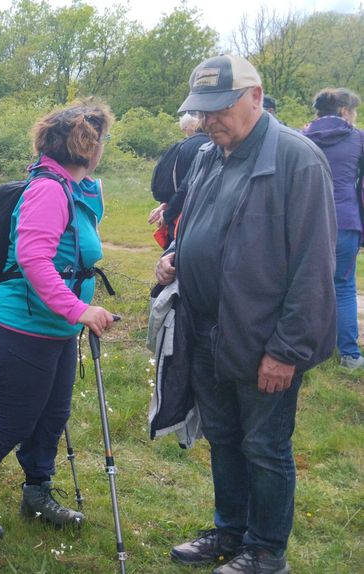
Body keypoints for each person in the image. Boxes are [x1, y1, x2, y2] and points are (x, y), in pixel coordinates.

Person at [158, 54, 335, 574]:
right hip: (207, 329)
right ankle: (229, 531)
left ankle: (265, 551)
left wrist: (286, 351)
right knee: (224, 437)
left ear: (255, 97)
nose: (209, 120)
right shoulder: (210, 155)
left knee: (264, 445)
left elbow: (313, 267)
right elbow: (200, 225)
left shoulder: (297, 160)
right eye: (202, 111)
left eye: (220, 109)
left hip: (263, 340)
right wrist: (176, 256)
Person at [0, 101, 117, 537]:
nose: (104, 149)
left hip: (55, 326)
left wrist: (88, 180)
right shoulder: (47, 191)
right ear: (87, 146)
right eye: (101, 142)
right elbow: (34, 260)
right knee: (14, 419)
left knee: (51, 416)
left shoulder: (71, 187)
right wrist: (80, 309)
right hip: (20, 324)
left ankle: (37, 492)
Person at [302, 88, 364, 369]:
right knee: (343, 286)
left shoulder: (300, 138)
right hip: (345, 222)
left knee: (303, 285)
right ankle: (349, 356)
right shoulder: (358, 140)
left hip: (307, 223)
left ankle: (304, 349)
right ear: (343, 111)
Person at [148, 113, 211, 247]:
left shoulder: (182, 146)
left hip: (179, 217)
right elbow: (186, 187)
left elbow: (176, 187)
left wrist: (166, 210)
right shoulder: (216, 147)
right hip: (203, 218)